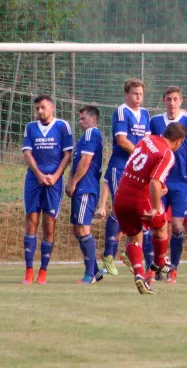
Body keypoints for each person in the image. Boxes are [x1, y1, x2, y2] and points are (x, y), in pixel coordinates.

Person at [113, 123, 187, 294]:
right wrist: (154, 207)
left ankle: (140, 276)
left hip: (121, 196)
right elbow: (154, 181)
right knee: (161, 226)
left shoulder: (146, 139)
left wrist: (159, 188)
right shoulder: (167, 153)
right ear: (179, 141)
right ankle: (160, 261)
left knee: (134, 237)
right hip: (140, 197)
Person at [148, 87, 187, 283]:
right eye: (168, 99)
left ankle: (174, 269)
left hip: (180, 182)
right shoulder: (155, 122)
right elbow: (151, 149)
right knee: (157, 225)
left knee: (178, 226)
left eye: (175, 99)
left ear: (181, 101)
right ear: (164, 100)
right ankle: (155, 267)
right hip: (161, 180)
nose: (172, 103)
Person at [21, 95, 73, 284]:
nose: (39, 112)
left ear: (52, 108)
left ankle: (43, 271)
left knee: (49, 224)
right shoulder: (30, 127)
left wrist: (56, 176)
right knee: (31, 220)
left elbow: (67, 155)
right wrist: (39, 175)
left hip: (54, 181)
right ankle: (28, 270)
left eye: (42, 107)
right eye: (37, 109)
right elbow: (27, 153)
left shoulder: (62, 126)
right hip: (34, 180)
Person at [102, 78, 151, 276]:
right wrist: (140, 154)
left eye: (140, 94)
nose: (138, 97)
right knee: (119, 209)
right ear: (126, 94)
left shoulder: (145, 113)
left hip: (137, 169)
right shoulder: (122, 112)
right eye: (134, 94)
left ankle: (130, 253)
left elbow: (147, 140)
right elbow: (121, 140)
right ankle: (107, 255)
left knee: (136, 211)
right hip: (120, 167)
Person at [65, 106, 104, 284]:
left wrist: (74, 182)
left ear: (93, 120)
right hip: (80, 188)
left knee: (83, 227)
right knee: (76, 228)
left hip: (86, 187)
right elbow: (77, 162)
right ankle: (95, 271)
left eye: (83, 119)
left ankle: (90, 275)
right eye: (79, 119)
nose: (80, 122)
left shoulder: (92, 134)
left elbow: (86, 161)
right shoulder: (83, 138)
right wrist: (70, 180)